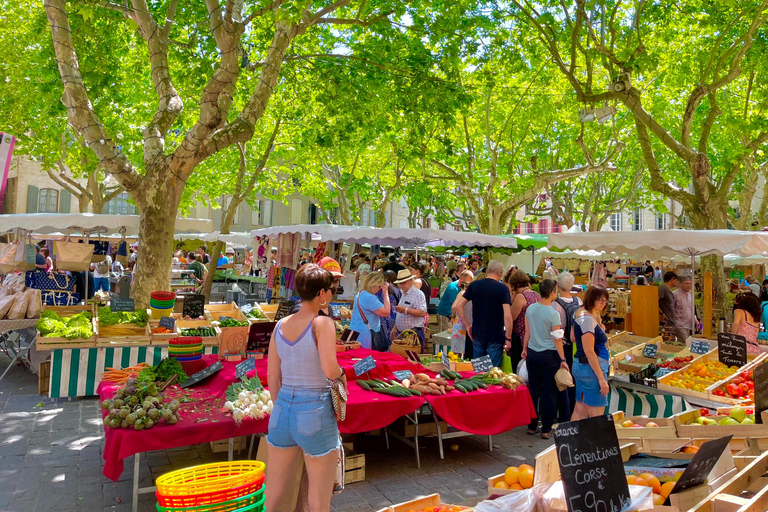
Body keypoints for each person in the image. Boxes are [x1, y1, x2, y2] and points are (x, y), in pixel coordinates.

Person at [265, 264, 344, 512]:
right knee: (318, 501)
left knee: (272, 494)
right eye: (332, 289)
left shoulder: (280, 325)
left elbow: (272, 376)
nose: (333, 294)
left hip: (281, 411)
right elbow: (330, 369)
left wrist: (282, 404)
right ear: (322, 293)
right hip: (314, 411)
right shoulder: (322, 323)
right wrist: (342, 376)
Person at [523, 279, 567, 439]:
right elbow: (557, 339)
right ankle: (546, 428)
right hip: (549, 355)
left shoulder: (531, 308)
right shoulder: (553, 314)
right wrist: (563, 359)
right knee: (549, 392)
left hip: (533, 353)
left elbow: (527, 332)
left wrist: (524, 348)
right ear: (553, 292)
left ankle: (531, 425)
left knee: (533, 390)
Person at [454, 261, 513, 367]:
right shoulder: (503, 289)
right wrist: (508, 338)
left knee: (478, 370)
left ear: (487, 271)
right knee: (492, 373)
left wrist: (468, 325)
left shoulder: (474, 285)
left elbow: (458, 306)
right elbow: (507, 315)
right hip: (496, 335)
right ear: (501, 273)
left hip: (478, 333)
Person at [571, 285, 611, 421]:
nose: (603, 304)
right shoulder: (587, 319)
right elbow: (589, 350)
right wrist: (601, 379)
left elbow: (572, 337)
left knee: (580, 409)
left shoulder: (578, 312)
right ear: (592, 299)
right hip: (591, 369)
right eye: (601, 301)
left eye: (606, 301)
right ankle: (595, 442)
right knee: (596, 414)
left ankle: (572, 440)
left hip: (581, 366)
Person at [551, 272, 582, 420]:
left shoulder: (555, 305)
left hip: (562, 346)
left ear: (557, 285)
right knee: (573, 381)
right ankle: (573, 413)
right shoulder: (579, 302)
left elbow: (555, 330)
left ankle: (564, 415)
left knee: (562, 380)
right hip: (578, 346)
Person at [509, 270, 541, 373]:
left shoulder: (521, 296)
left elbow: (512, 317)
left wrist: (511, 300)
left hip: (520, 337)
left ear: (516, 284)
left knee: (518, 367)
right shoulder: (537, 295)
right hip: (535, 335)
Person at [349, 272, 391, 350]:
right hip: (366, 335)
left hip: (356, 332)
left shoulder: (360, 293)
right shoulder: (370, 298)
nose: (379, 289)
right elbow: (386, 312)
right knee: (367, 358)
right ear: (373, 284)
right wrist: (386, 294)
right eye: (379, 286)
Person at [391, 269, 428, 348]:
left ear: (411, 280)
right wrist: (395, 327)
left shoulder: (418, 294)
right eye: (400, 284)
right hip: (403, 333)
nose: (401, 285)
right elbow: (400, 314)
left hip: (413, 334)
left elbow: (422, 313)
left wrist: (405, 310)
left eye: (403, 283)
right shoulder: (403, 293)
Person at [452, 277, 474, 359]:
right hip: (470, 322)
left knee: (457, 352)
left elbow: (454, 307)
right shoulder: (475, 294)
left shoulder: (462, 293)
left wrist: (453, 315)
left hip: (460, 323)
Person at [673, 276, 696, 342]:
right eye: (686, 283)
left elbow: (691, 309)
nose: (688, 285)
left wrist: (695, 319)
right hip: (679, 323)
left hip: (689, 323)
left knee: (685, 343)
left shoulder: (690, 295)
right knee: (686, 342)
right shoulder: (675, 294)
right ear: (680, 284)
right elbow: (672, 308)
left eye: (690, 284)